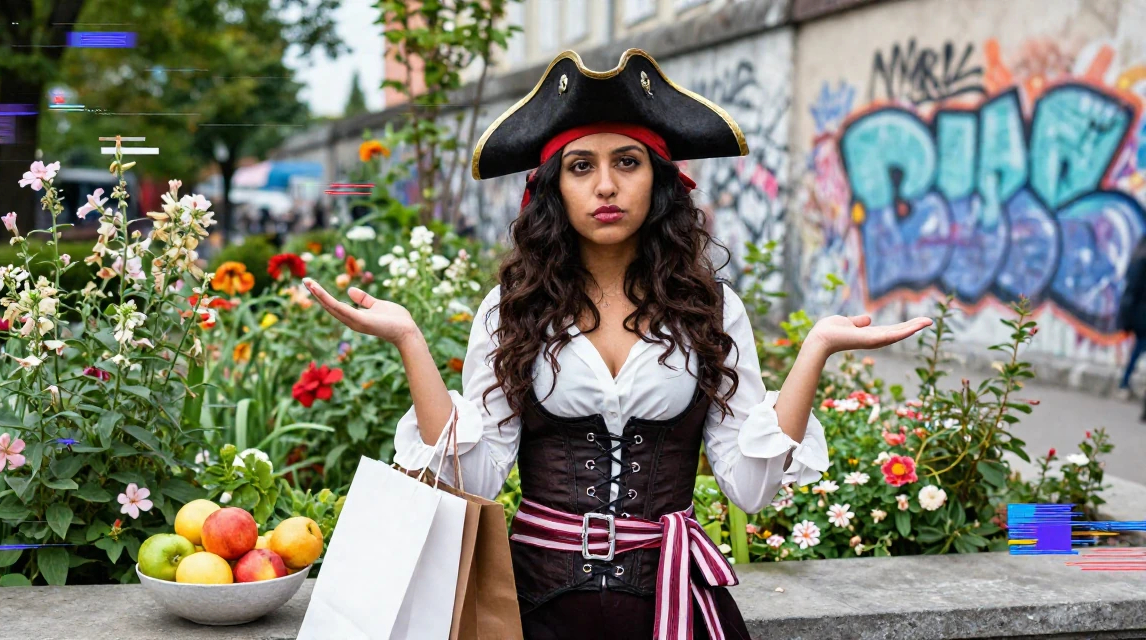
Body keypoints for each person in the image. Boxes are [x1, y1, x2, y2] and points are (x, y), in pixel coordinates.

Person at [303, 48, 931, 640]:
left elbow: (749, 485)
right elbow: (477, 476)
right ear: (556, 188)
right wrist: (411, 340)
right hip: (535, 606)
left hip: (671, 605)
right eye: (582, 166)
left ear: (658, 182)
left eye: (626, 162)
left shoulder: (709, 311)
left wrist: (816, 348)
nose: (605, 185)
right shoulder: (513, 309)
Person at [1117, 236, 1146, 404]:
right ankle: (1124, 383)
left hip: (1138, 314)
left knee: (1138, 349)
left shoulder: (1137, 261)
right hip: (1142, 315)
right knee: (1139, 349)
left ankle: (1125, 382)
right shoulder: (1142, 264)